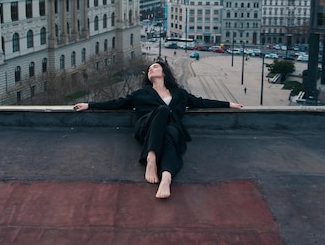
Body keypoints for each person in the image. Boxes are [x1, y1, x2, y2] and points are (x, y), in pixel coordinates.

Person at [73, 60, 243, 199]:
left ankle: (167, 177)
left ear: (163, 73)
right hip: (147, 127)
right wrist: (89, 105)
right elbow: (117, 103)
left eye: (155, 66)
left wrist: (229, 104)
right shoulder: (141, 94)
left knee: (170, 133)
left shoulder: (179, 93)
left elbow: (202, 102)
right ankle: (151, 159)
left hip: (172, 127)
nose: (151, 69)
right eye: (149, 69)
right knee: (162, 110)